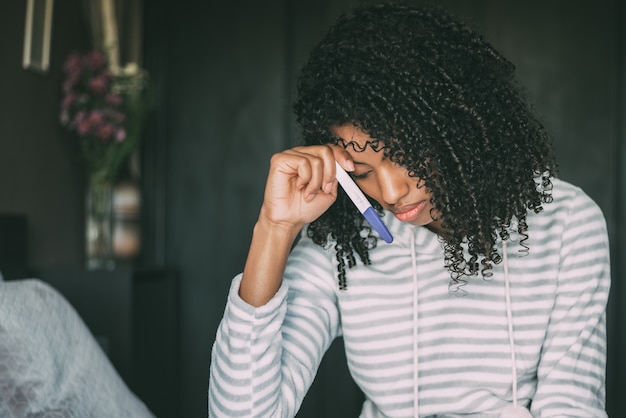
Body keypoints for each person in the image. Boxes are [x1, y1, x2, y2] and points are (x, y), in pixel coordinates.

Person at [208, 2, 611, 417]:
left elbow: (572, 408)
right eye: (363, 172)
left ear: (456, 126)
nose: (391, 191)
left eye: (408, 156)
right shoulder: (345, 245)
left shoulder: (567, 222)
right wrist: (275, 228)